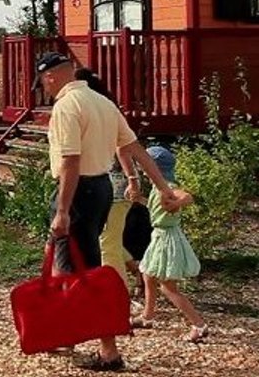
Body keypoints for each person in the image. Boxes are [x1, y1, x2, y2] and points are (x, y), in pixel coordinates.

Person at [34, 52, 182, 372]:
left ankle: (109, 351)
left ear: (50, 77)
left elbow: (71, 161)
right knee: (65, 263)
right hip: (100, 189)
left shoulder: (66, 106)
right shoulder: (102, 102)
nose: (44, 87)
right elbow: (136, 149)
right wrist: (162, 187)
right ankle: (64, 332)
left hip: (76, 193)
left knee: (83, 273)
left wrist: (62, 210)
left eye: (43, 81)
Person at [132, 145, 208, 343]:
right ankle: (148, 317)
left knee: (168, 287)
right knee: (148, 274)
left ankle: (198, 325)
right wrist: (138, 200)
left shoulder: (167, 186)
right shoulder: (158, 188)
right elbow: (155, 208)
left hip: (166, 238)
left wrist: (177, 203)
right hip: (159, 236)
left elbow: (187, 196)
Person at [74, 68, 141, 292]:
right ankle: (136, 269)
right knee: (105, 237)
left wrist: (132, 180)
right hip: (103, 186)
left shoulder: (99, 110)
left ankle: (117, 292)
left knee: (107, 241)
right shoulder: (101, 107)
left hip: (115, 188)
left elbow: (123, 147)